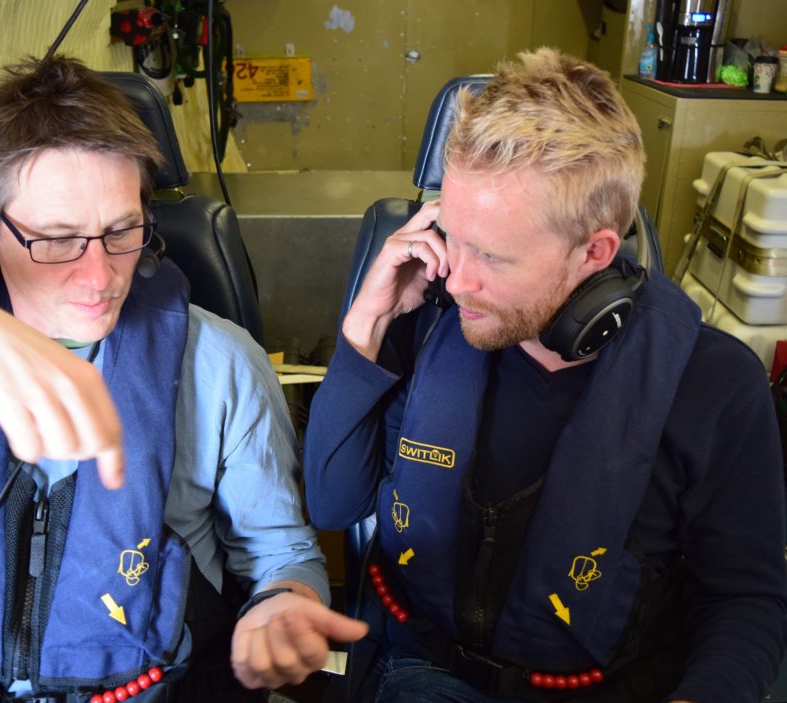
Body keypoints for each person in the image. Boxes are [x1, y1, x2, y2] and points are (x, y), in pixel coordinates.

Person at [0, 55, 366, 702]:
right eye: (55, 238)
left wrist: (284, 603)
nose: (99, 275)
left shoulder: (220, 363)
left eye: (121, 229)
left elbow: (280, 551)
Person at [304, 47, 787, 703]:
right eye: (454, 236)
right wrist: (366, 326)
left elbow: (746, 599)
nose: (458, 277)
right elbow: (334, 502)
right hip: (426, 672)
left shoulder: (715, 387)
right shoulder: (427, 321)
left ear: (595, 253)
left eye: (494, 257)